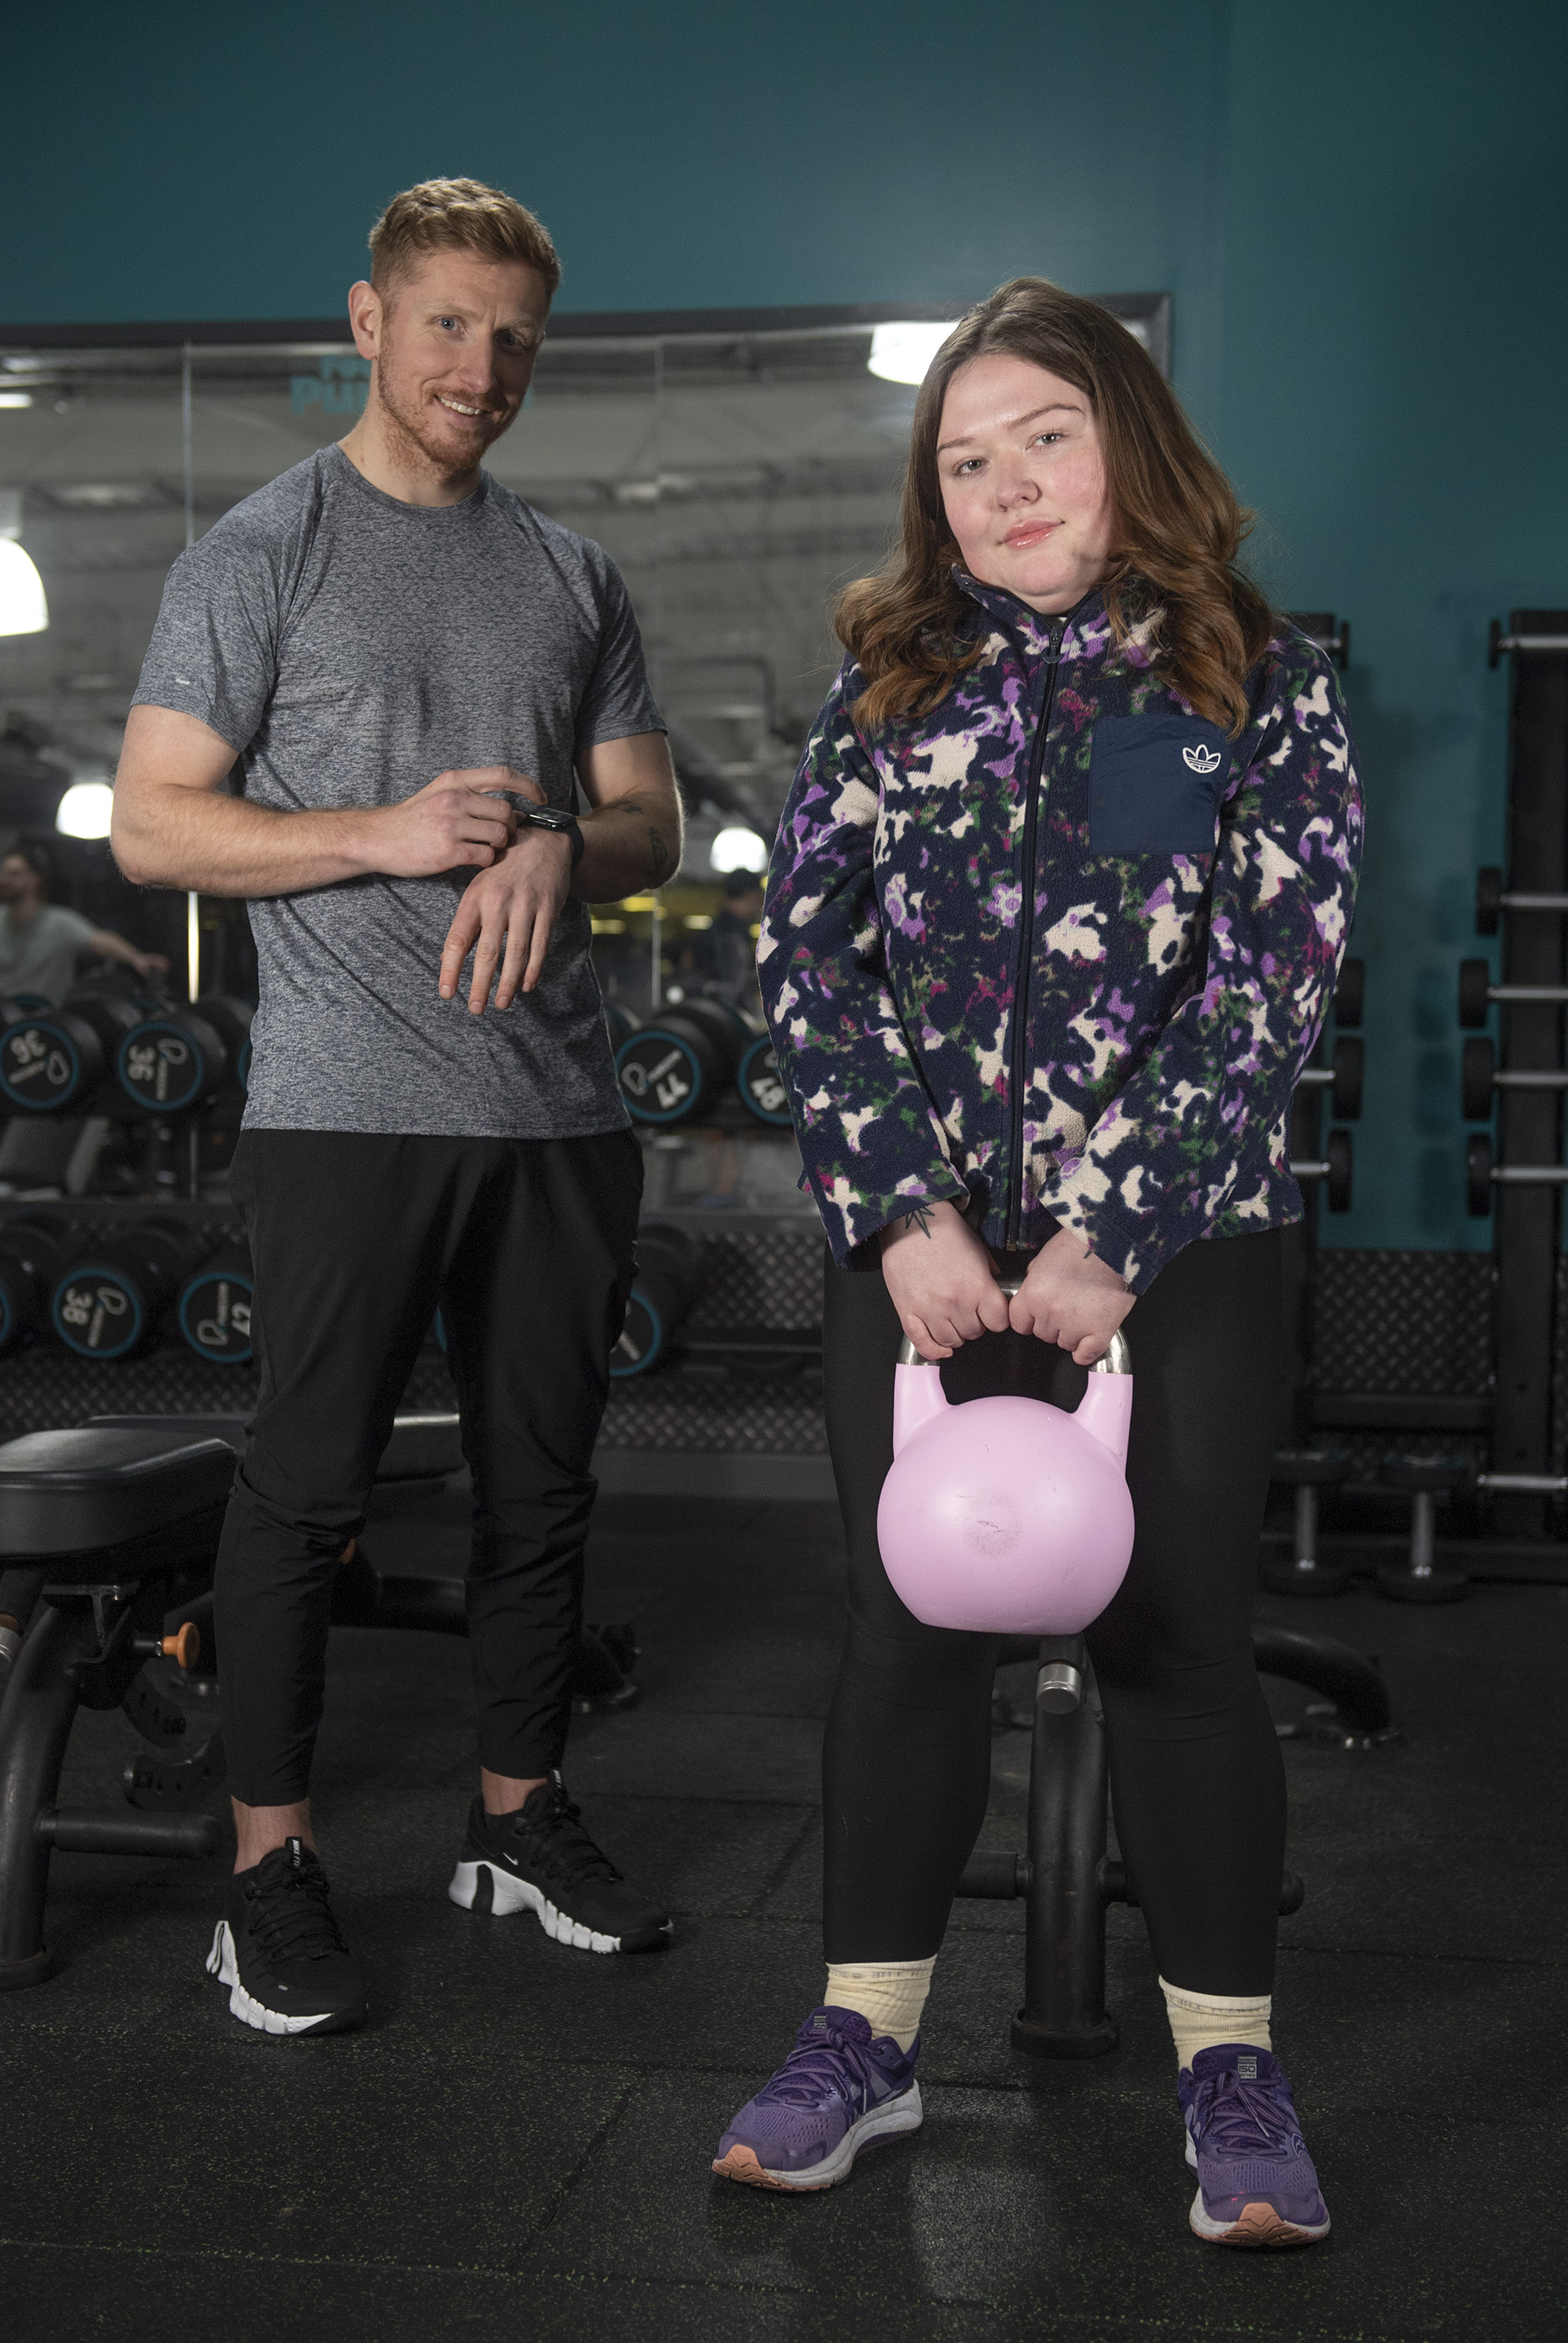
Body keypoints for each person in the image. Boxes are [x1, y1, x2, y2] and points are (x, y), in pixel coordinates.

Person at [718, 279, 1361, 2248]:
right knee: (904, 1629)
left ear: (1128, 436)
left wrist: (1113, 1234)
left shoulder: (1255, 668)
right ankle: (865, 2034)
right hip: (915, 1255)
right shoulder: (885, 680)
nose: (995, 485)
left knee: (1173, 1642)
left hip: (1165, 1255)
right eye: (959, 457)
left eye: (1040, 439)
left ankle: (1229, 2066)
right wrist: (903, 1210)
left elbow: (1272, 978)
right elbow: (801, 966)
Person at [113, 176, 683, 2038]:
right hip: (345, 1106)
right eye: (446, 322)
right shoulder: (258, 552)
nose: (481, 364)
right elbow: (150, 820)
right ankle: (266, 1862)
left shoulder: (572, 572)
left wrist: (544, 836)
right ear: (365, 322)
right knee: (303, 1489)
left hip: (557, 1112)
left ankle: (516, 1818)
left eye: (513, 334)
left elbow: (648, 820)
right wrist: (374, 829)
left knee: (544, 1487)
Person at [0, 836, 169, 1003]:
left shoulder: (58, 923)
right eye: (4, 873)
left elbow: (101, 941)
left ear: (34, 879)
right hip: (6, 1019)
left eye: (15, 874)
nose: (6, 880)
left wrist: (137, 959)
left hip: (46, 1021)